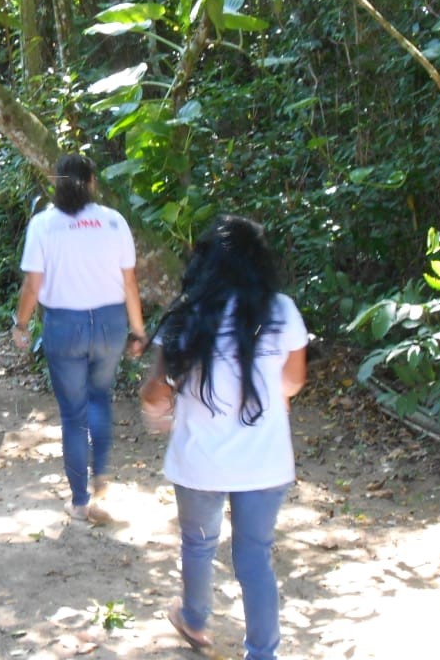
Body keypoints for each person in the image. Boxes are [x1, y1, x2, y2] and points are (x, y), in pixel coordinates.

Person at [139, 215, 308, 660]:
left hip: (200, 461)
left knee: (198, 543)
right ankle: (262, 653)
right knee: (255, 559)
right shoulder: (283, 310)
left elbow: (156, 395)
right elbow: (292, 382)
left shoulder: (188, 314)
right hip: (266, 460)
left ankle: (195, 620)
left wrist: (158, 408)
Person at [11, 153, 147, 523]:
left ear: (58, 183)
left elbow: (32, 285)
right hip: (109, 322)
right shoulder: (114, 222)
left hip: (64, 326)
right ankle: (99, 468)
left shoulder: (43, 225)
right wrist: (139, 330)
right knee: (99, 397)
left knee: (74, 415)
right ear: (92, 182)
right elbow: (130, 283)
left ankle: (79, 500)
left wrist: (21, 324)